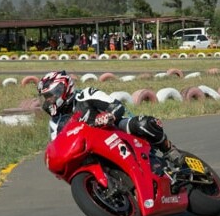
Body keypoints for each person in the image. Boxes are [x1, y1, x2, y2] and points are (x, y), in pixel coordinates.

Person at [37, 70, 183, 166]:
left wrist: (109, 115)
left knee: (143, 123)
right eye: (46, 98)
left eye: (51, 96)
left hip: (113, 131)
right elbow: (58, 147)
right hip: (91, 150)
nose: (49, 101)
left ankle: (169, 150)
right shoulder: (55, 123)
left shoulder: (86, 94)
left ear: (64, 89)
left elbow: (117, 106)